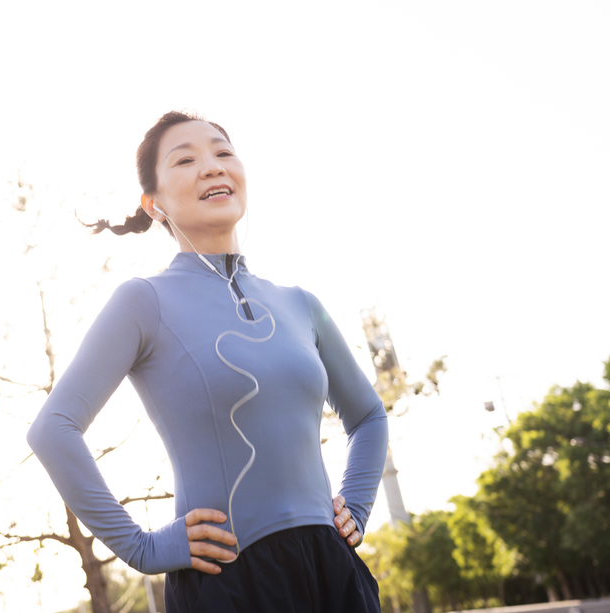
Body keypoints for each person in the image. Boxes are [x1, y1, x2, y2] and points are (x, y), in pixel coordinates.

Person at [27, 111, 388, 612]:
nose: (212, 167)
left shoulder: (300, 304)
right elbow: (53, 428)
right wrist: (141, 547)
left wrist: (357, 506)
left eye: (223, 153)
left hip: (333, 572)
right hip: (230, 584)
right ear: (152, 205)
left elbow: (368, 416)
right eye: (186, 159)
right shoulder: (143, 302)